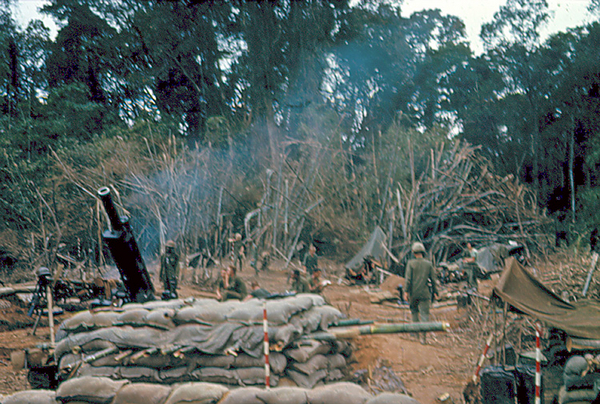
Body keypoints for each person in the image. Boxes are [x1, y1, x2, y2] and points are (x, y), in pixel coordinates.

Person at [403, 242, 438, 344]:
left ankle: (415, 333)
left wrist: (405, 292)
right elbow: (433, 280)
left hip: (413, 293)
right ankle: (423, 338)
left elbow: (408, 279)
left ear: (413, 252)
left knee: (414, 312)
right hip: (425, 294)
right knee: (424, 315)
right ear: (423, 252)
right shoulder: (429, 264)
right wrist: (436, 292)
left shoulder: (411, 263)